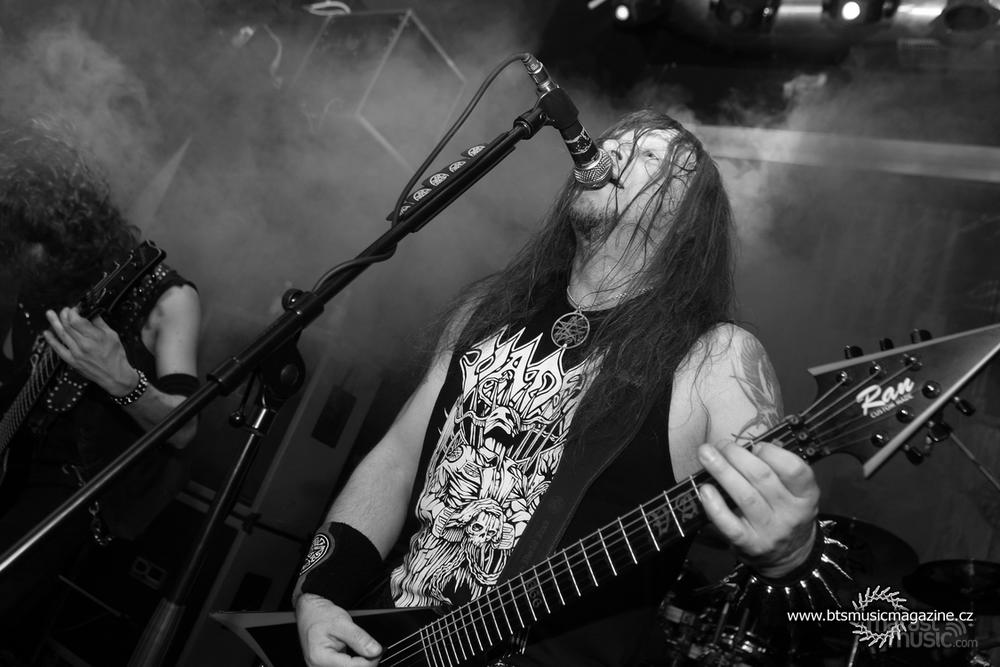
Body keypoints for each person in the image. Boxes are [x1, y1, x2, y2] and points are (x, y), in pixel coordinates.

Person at [293, 110, 820, 666]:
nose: (614, 153)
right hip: (390, 644)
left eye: (651, 157)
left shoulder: (717, 356)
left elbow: (770, 510)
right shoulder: (489, 308)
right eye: (616, 141)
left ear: (688, 222)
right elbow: (397, 461)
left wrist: (793, 552)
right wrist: (320, 595)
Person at [0, 117, 201, 662]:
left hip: (68, 490)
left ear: (64, 229)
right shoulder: (33, 272)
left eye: (32, 243)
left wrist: (120, 378)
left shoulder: (165, 300)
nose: (26, 258)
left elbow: (185, 431)